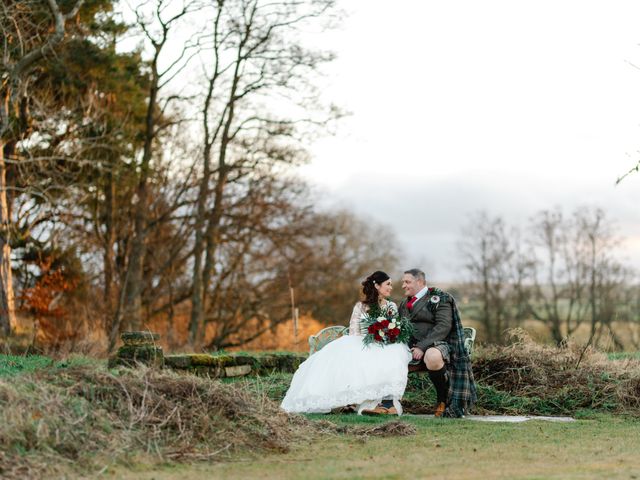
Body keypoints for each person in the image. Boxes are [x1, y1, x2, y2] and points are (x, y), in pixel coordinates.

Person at [280, 271, 412, 415]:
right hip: (361, 341)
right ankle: (349, 402)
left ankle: (385, 404)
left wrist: (384, 336)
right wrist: (370, 338)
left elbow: (395, 328)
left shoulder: (391, 306)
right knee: (347, 357)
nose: (391, 287)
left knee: (392, 355)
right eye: (388, 284)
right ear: (377, 286)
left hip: (384, 344)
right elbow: (354, 330)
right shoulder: (360, 307)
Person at [399, 268, 477, 417]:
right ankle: (387, 403)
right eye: (403, 282)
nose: (403, 285)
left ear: (420, 282)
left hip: (438, 344)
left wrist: (422, 346)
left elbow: (443, 326)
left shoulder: (440, 298)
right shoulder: (404, 303)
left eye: (407, 282)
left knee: (432, 356)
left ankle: (442, 400)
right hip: (408, 345)